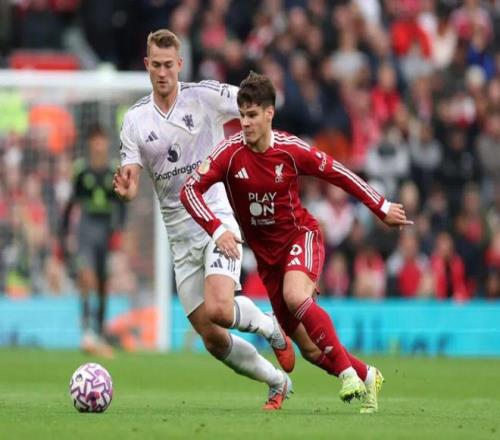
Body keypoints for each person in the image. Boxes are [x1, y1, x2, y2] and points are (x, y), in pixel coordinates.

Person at [181, 71, 414, 414]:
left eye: (252, 115)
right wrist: (217, 229)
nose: (245, 123)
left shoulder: (290, 150)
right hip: (268, 261)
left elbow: (337, 172)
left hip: (300, 237)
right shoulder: (229, 154)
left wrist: (381, 207)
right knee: (310, 350)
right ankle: (367, 375)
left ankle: (348, 375)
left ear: (269, 113)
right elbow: (190, 190)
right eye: (241, 115)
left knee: (295, 295)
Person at [113, 29, 295, 410]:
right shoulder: (135, 120)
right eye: (156, 65)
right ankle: (276, 381)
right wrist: (127, 189)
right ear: (146, 65)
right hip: (179, 240)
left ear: (180, 64)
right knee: (211, 337)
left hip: (216, 220)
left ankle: (270, 325)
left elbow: (251, 102)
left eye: (169, 65)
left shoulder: (205, 96)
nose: (163, 72)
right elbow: (130, 177)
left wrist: (263, 141)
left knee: (220, 308)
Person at [61, 125, 126, 358]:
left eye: (101, 140)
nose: (98, 144)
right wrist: (63, 233)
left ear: (106, 143)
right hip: (86, 228)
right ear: (90, 143)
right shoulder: (81, 170)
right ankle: (87, 332)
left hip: (106, 229)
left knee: (103, 284)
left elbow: (121, 202)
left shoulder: (113, 170)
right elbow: (71, 203)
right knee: (86, 278)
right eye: (95, 140)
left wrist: (120, 229)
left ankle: (100, 333)